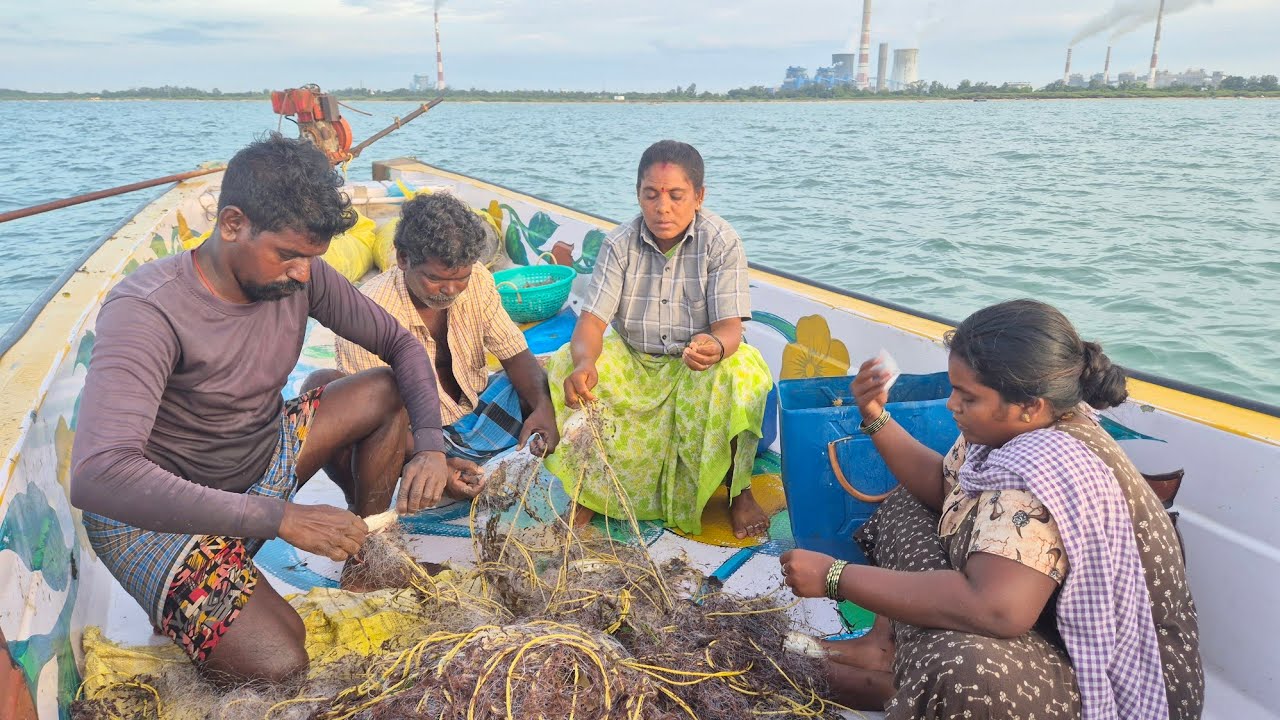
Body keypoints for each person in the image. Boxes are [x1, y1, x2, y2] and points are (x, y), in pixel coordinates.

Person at [70, 135, 453, 688]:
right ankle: (197, 588)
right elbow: (99, 474)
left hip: (261, 460)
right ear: (231, 223)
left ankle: (362, 560)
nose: (304, 273)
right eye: (289, 255)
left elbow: (403, 346)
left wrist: (433, 446)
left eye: (312, 258)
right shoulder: (147, 310)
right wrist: (281, 520)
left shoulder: (302, 275)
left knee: (383, 389)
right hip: (160, 520)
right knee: (280, 663)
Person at [779, 300, 1202, 720]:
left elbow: (995, 610)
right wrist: (874, 416)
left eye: (968, 396)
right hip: (1030, 606)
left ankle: (902, 689)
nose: (952, 405)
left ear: (1029, 406)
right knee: (906, 507)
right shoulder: (1015, 426)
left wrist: (835, 577)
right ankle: (882, 649)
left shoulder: (1046, 469)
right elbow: (941, 487)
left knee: (962, 663)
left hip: (1111, 672)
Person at [545, 139, 774, 539]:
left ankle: (739, 492)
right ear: (638, 194)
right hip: (637, 360)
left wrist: (714, 348)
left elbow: (729, 330)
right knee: (564, 362)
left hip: (693, 365)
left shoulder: (721, 241)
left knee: (743, 374)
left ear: (699, 197)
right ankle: (588, 493)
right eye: (651, 194)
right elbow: (592, 324)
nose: (661, 207)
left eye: (675, 195)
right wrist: (584, 364)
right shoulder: (619, 245)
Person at [329, 192, 560, 483]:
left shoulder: (478, 278)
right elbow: (373, 420)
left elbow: (514, 353)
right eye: (435, 279)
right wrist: (438, 463)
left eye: (459, 279)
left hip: (476, 411)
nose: (450, 291)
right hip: (417, 440)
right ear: (403, 258)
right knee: (354, 422)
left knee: (557, 375)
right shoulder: (368, 313)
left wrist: (543, 407)